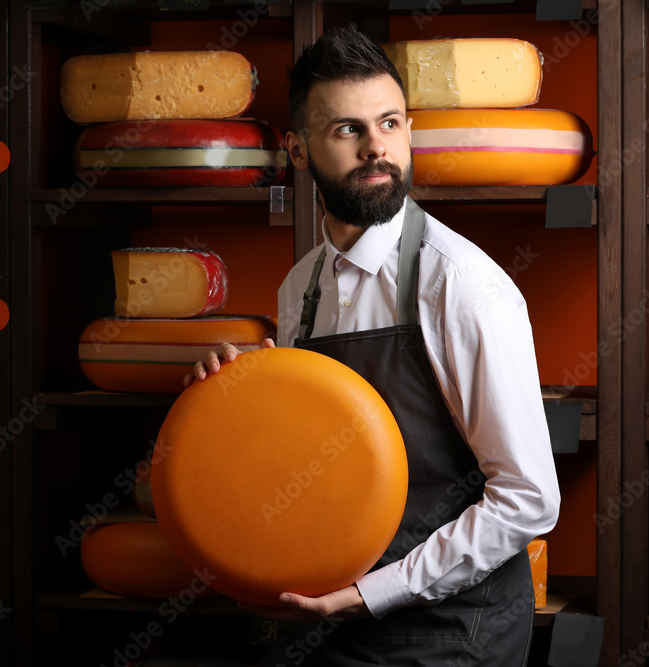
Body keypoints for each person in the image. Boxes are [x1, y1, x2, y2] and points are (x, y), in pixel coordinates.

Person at [189, 24, 560, 666]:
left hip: (452, 632)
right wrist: (231, 400)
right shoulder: (299, 287)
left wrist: (370, 593)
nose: (375, 148)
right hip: (330, 624)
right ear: (298, 151)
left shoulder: (463, 285)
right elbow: (313, 462)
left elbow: (529, 500)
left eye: (389, 123)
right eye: (347, 130)